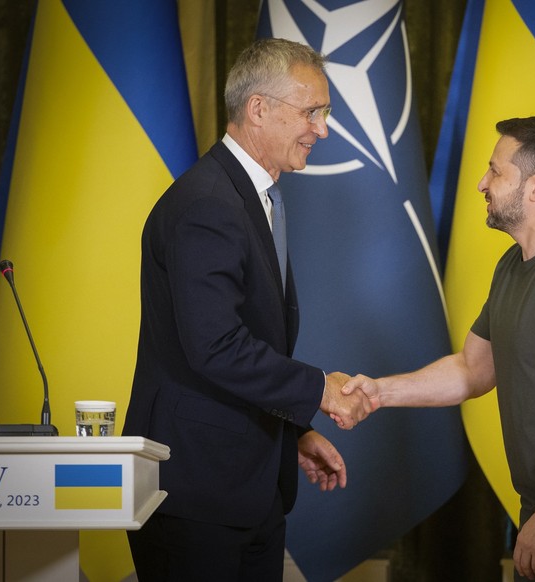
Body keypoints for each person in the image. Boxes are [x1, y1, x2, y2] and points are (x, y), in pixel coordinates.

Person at [344, 116, 535, 581]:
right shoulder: (514, 264)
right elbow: (472, 369)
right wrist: (378, 392)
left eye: (496, 171)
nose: (482, 183)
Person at [123, 38, 369, 581]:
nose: (323, 130)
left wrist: (293, 431)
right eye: (312, 112)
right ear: (258, 109)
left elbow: (246, 340)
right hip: (196, 491)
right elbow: (216, 347)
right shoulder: (207, 204)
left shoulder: (249, 197)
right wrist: (319, 390)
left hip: (246, 489)